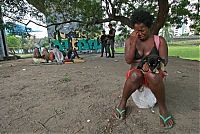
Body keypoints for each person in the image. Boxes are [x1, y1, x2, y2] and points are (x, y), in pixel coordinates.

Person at [113, 10, 175, 129]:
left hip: (154, 75)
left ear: (149, 27)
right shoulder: (130, 40)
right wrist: (133, 42)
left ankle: (163, 108)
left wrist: (151, 63)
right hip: (135, 77)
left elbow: (164, 61)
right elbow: (129, 60)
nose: (139, 33)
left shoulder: (159, 41)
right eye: (136, 31)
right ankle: (122, 103)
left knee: (152, 75)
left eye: (142, 30)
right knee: (136, 74)